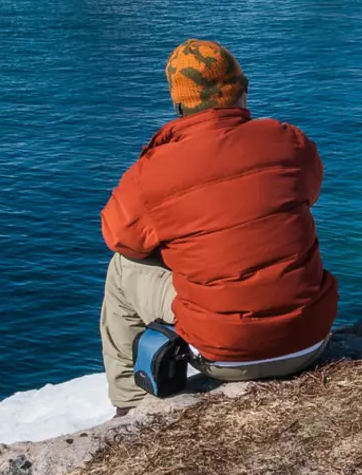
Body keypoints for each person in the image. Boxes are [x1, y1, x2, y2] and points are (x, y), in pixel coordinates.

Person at [99, 40, 338, 412]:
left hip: (226, 358)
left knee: (123, 267)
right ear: (243, 91)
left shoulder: (153, 171)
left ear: (179, 104)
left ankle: (131, 406)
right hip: (310, 340)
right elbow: (310, 193)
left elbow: (120, 237)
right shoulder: (289, 141)